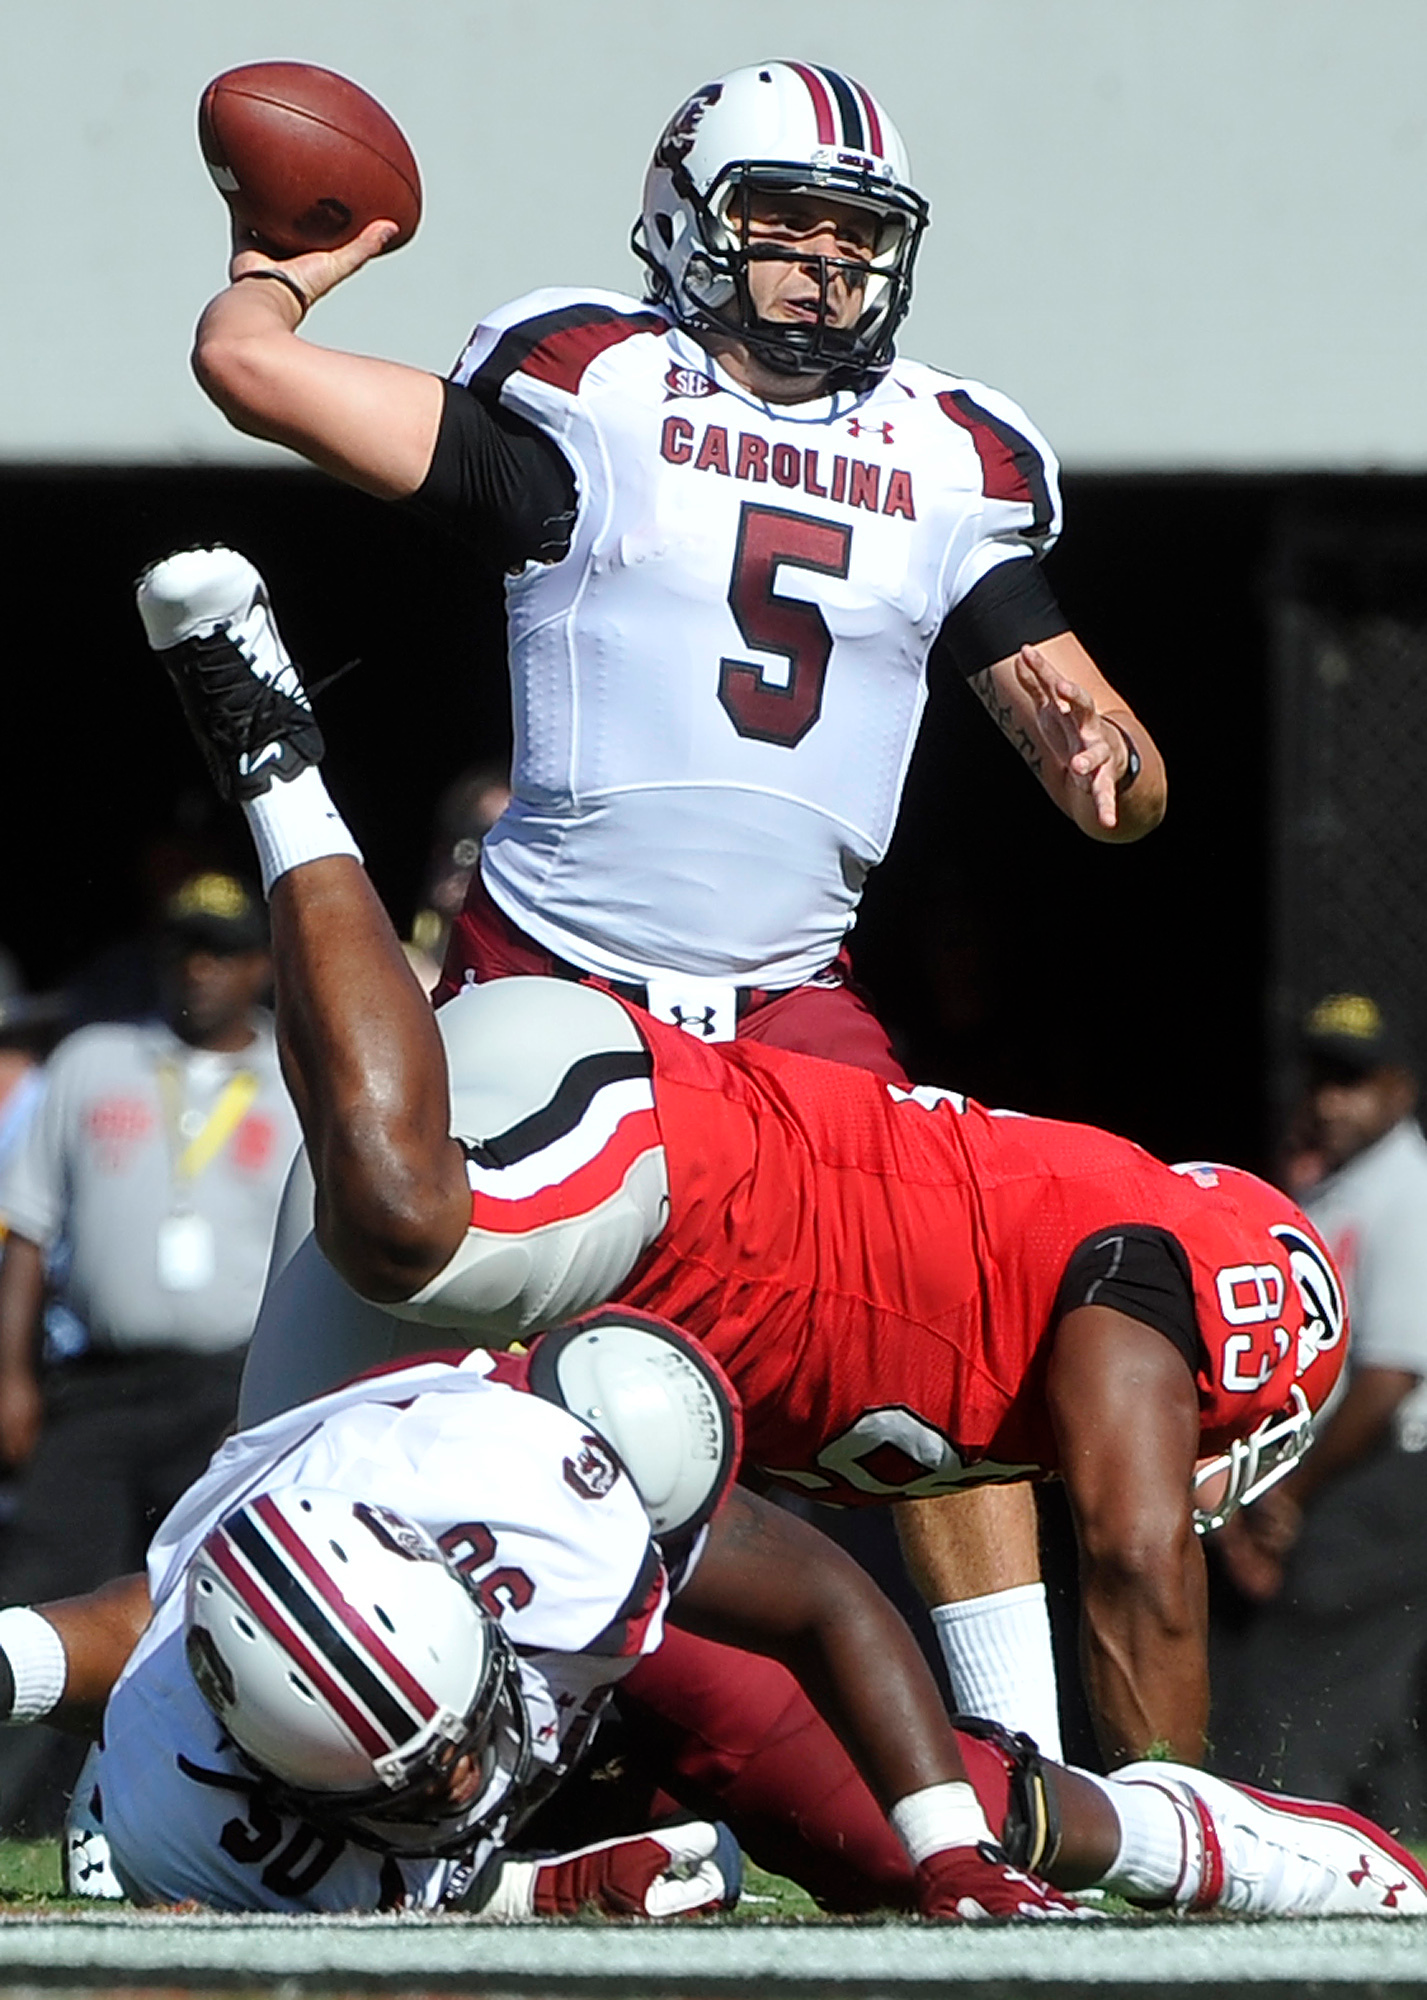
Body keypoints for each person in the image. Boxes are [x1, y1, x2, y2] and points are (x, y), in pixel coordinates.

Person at [185, 59, 1171, 1755]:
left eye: (854, 229)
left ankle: (1021, 1761)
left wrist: (1102, 759)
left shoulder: (950, 456)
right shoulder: (595, 385)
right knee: (376, 1355)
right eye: (780, 217)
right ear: (684, 220)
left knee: (954, 1328)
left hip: (792, 999)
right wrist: (292, 258)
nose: (821, 259)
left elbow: (1114, 768)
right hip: (554, 977)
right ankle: (203, 1695)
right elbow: (247, 369)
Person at [139, 559, 1338, 1782]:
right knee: (400, 1228)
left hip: (676, 1158)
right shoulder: (1139, 1277)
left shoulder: (1007, 1340)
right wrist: (1167, 1821)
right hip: (638, 1090)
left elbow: (856, 1564)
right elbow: (1136, 1556)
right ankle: (274, 757)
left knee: (263, 1552)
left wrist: (992, 1797)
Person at [12, 1327, 1423, 1921]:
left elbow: (814, 1596)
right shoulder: (170, 1811)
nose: (462, 1778)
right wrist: (559, 1888)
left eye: (450, 1743)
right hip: (404, 1768)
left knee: (912, 1832)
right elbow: (414, 1903)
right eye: (416, 1775)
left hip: (587, 1662)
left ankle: (1204, 1835)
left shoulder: (519, 1497)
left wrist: (942, 1851)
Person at [0, 872, 301, 1831]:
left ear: (260, 962)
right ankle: (15, 1809)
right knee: (44, 1582)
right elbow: (26, 1233)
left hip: (232, 1383)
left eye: (220, 950)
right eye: (183, 949)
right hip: (99, 1379)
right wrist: (9, 1374)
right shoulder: (94, 1059)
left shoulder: (294, 1076)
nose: (198, 969)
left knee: (209, 1596)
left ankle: (180, 1805)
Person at [1214, 993, 1427, 1832]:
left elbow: (1387, 1374)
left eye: (1352, 1080)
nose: (1328, 1099)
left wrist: (1288, 1496)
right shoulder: (1334, 1185)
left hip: (1388, 1473)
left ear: (1397, 1089)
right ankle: (1388, 1833)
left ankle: (1265, 1821)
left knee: (1297, 1675)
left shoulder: (1405, 1189)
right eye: (1318, 1077)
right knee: (1381, 1691)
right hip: (1344, 1473)